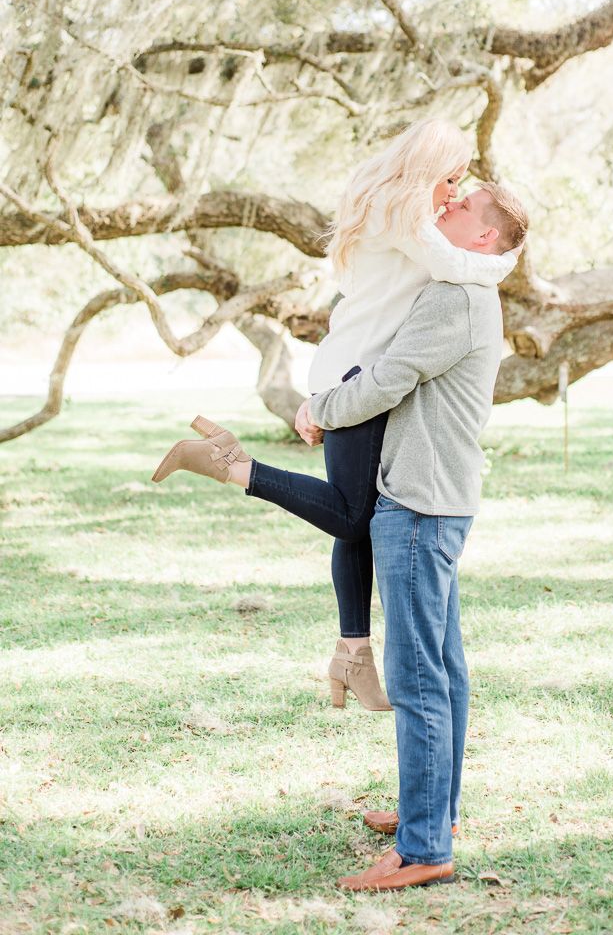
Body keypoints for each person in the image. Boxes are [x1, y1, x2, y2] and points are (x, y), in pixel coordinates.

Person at [151, 117, 518, 710]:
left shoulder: (394, 206)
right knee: (354, 517)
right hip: (358, 376)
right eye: (450, 178)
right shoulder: (401, 211)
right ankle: (230, 464)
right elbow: (458, 266)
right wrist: (507, 262)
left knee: (361, 515)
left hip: (354, 365)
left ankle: (352, 655)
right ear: (428, 167)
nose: (452, 192)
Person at [297, 182, 529, 891]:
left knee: (418, 674)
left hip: (419, 504)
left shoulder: (455, 297)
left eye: (460, 208)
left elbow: (389, 378)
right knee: (443, 666)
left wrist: (321, 407)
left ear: (483, 238)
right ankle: (433, 812)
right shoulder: (461, 291)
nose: (443, 210)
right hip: (436, 499)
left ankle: (425, 848)